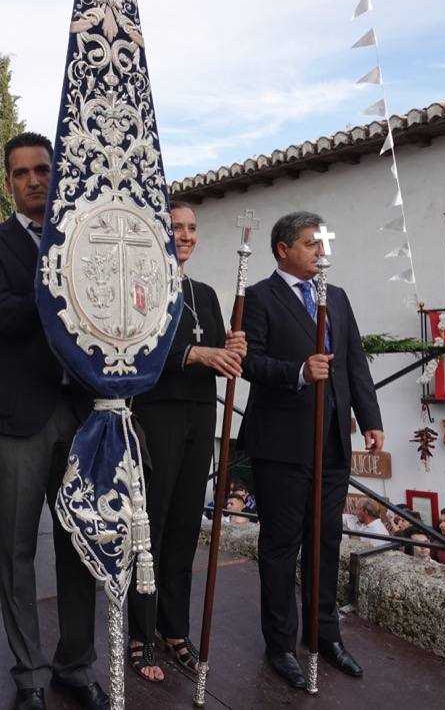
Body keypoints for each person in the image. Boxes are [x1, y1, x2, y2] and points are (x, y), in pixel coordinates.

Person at [0, 132, 108, 710]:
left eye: (43, 170)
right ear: (8, 182)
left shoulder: (84, 237)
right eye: (21, 172)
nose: (34, 180)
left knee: (81, 548)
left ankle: (75, 665)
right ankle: (28, 676)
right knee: (18, 551)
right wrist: (60, 282)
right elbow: (6, 316)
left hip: (79, 413)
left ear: (57, 174)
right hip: (17, 418)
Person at [239, 211, 384, 690]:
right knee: (281, 547)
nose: (320, 252)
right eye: (309, 244)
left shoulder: (335, 297)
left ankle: (324, 635)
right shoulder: (259, 296)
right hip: (281, 443)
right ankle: (280, 643)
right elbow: (251, 364)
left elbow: (355, 362)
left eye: (322, 244)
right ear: (283, 249)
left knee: (326, 541)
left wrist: (371, 420)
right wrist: (299, 372)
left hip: (333, 441)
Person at [125, 201, 246, 683]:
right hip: (157, 415)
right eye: (176, 226)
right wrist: (196, 353)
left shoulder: (207, 292)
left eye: (192, 228)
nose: (186, 235)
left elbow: (219, 348)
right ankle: (140, 631)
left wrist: (234, 348)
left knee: (183, 528)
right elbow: (136, 352)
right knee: (149, 529)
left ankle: (174, 628)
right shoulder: (138, 288)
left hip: (200, 415)